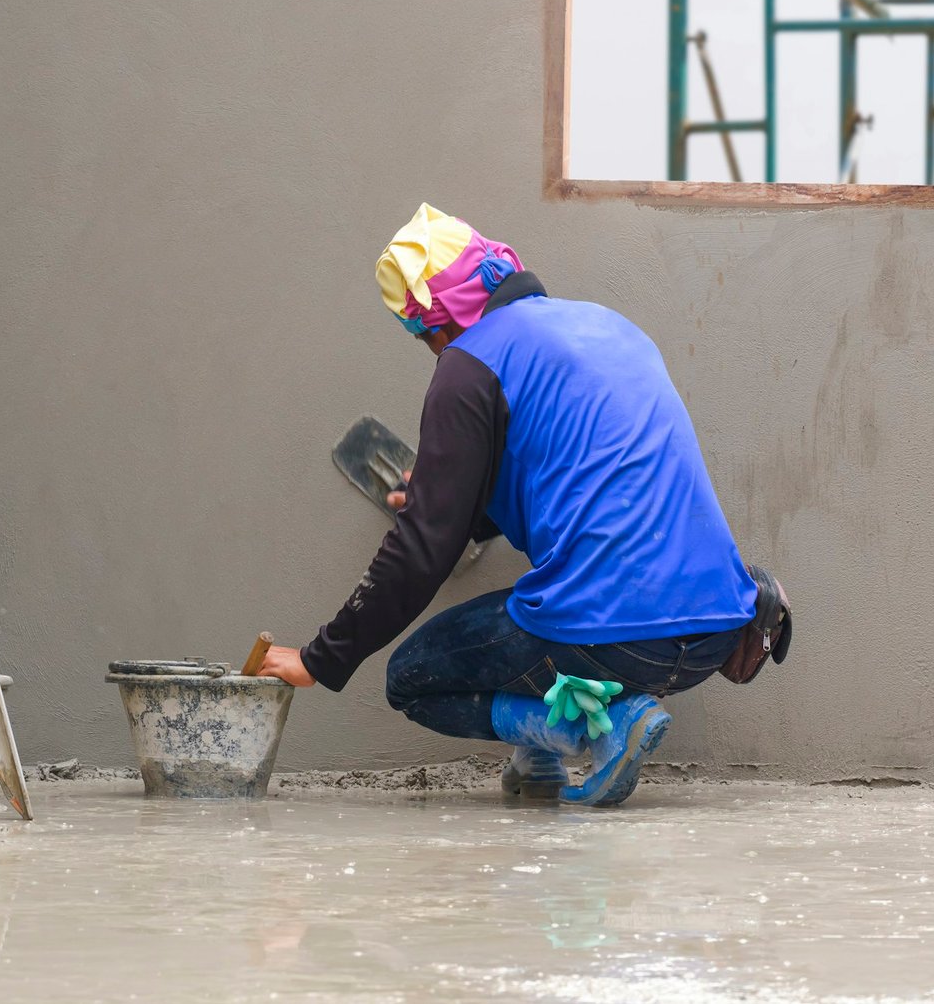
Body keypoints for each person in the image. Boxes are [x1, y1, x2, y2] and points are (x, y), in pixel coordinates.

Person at [258, 204, 758, 807]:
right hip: (716, 629)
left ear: (440, 322)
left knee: (412, 678)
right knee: (553, 605)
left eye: (423, 335)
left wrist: (320, 659)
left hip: (621, 640)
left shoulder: (467, 366)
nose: (431, 350)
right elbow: (567, 477)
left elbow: (423, 551)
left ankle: (599, 727)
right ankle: (538, 757)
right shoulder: (607, 326)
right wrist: (450, 490)